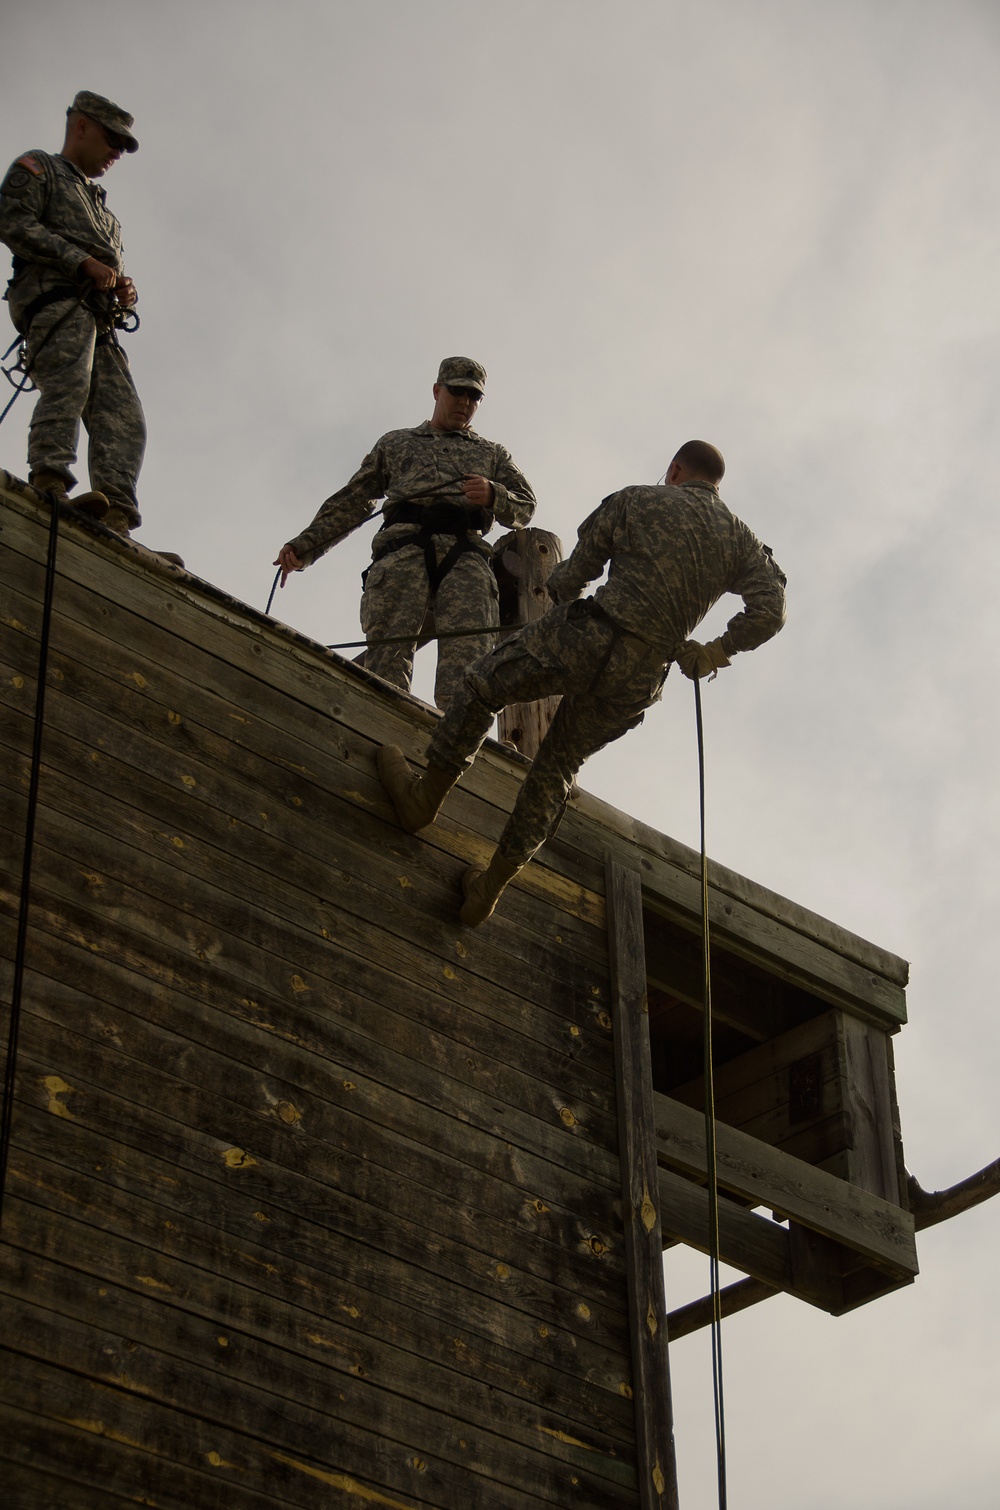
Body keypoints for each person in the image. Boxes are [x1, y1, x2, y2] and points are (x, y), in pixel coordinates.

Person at [377, 440, 787, 925]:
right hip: (641, 676)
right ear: (716, 483)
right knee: (557, 767)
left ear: (675, 470)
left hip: (589, 636)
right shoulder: (741, 542)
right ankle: (488, 888)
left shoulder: (640, 499)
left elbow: (576, 573)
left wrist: (559, 592)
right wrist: (714, 651)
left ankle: (423, 802)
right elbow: (771, 611)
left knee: (481, 685)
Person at [274, 357, 536, 708]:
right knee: (387, 659)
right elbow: (354, 501)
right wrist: (304, 546)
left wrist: (494, 494)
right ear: (437, 391)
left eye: (474, 397)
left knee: (470, 664)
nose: (464, 403)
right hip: (402, 550)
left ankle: (454, 747)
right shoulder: (396, 444)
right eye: (457, 392)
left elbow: (526, 504)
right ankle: (386, 741)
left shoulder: (492, 454)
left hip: (465, 556)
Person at [0, 91, 149, 538]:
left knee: (123, 413)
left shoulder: (104, 212)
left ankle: (116, 516)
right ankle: (51, 482)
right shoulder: (39, 169)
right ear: (80, 126)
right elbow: (12, 221)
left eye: (123, 148)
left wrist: (125, 288)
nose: (115, 153)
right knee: (68, 384)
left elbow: (111, 267)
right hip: (55, 299)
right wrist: (77, 260)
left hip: (99, 315)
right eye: (111, 140)